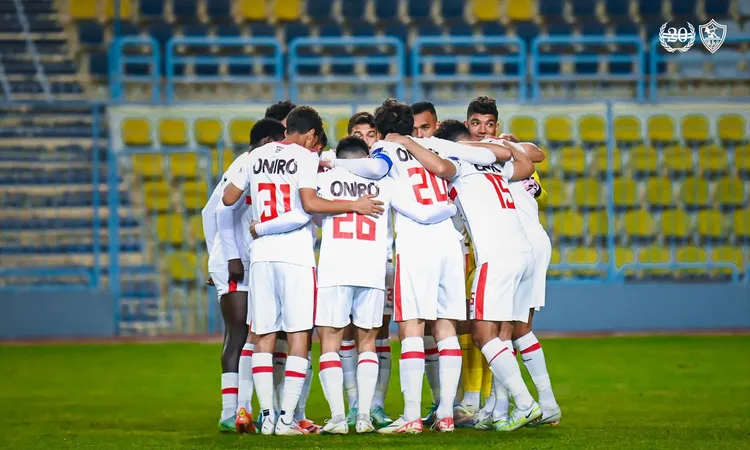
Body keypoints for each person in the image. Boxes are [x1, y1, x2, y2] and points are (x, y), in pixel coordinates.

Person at [324, 99, 498, 434]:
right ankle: (446, 414)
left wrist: (332, 159)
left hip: (416, 245)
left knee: (412, 328)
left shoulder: (385, 151)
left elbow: (377, 174)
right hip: (450, 243)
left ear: (383, 127)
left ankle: (412, 416)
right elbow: (455, 169)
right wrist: (445, 210)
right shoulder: (432, 144)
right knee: (445, 326)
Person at [222, 106, 384, 435]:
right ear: (311, 133)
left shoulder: (255, 155)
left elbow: (228, 198)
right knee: (299, 336)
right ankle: (286, 419)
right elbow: (310, 205)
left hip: (262, 256)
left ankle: (266, 417)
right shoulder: (306, 158)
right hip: (295, 255)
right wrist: (355, 204)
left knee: (263, 335)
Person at [315, 136, 458, 434]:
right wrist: (449, 208)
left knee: (331, 343)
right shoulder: (385, 185)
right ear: (366, 156)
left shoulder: (326, 179)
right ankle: (365, 416)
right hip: (371, 270)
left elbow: (314, 217)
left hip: (334, 269)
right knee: (369, 344)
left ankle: (339, 418)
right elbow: (422, 214)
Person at [413, 122, 545, 431]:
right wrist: (502, 146)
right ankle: (502, 409)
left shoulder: (458, 164)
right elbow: (526, 165)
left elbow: (439, 164)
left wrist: (410, 142)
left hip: (496, 257)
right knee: (500, 334)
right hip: (522, 254)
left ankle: (525, 404)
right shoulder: (493, 168)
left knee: (483, 335)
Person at [202, 118, 306, 433]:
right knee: (243, 333)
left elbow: (209, 211)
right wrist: (225, 256)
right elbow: (219, 211)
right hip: (239, 262)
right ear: (266, 141)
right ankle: (233, 410)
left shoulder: (258, 165)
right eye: (279, 141)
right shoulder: (247, 163)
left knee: (258, 333)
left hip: (254, 258)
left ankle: (253, 409)